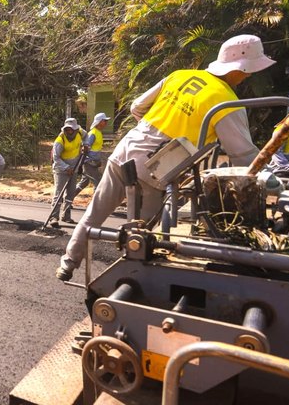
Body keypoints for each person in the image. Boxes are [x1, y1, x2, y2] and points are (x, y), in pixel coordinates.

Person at [56, 34, 276, 281]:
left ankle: (68, 263)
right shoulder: (226, 102)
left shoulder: (179, 76)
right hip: (157, 169)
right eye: (249, 71)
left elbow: (136, 107)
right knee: (144, 233)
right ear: (241, 68)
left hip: (126, 150)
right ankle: (129, 280)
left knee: (94, 212)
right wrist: (270, 182)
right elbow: (243, 155)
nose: (249, 76)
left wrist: (153, 132)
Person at [50, 118, 87, 228]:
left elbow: (87, 137)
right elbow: (56, 158)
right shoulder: (60, 140)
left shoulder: (81, 133)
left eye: (71, 130)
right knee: (59, 193)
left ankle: (66, 216)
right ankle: (54, 217)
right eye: (67, 130)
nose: (69, 132)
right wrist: (66, 168)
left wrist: (86, 145)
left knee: (70, 193)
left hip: (74, 168)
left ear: (75, 129)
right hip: (61, 169)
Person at [72, 112, 110, 202]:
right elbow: (85, 147)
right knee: (98, 182)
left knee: (84, 182)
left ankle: (67, 198)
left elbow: (95, 149)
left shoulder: (98, 133)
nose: (106, 123)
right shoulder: (93, 133)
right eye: (104, 121)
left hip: (92, 162)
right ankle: (96, 204)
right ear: (99, 122)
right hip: (89, 163)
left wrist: (98, 160)